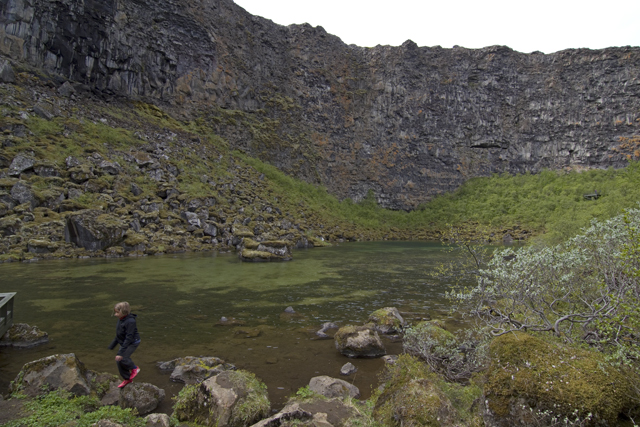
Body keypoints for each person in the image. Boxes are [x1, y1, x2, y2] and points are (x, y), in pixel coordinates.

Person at [108, 302, 141, 388]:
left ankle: (134, 368)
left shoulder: (130, 322)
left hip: (132, 342)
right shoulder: (121, 319)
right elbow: (119, 334)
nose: (115, 314)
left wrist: (121, 352)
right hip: (124, 342)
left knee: (123, 358)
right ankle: (127, 378)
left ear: (124, 312)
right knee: (118, 360)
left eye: (117, 312)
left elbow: (129, 337)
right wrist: (112, 345)